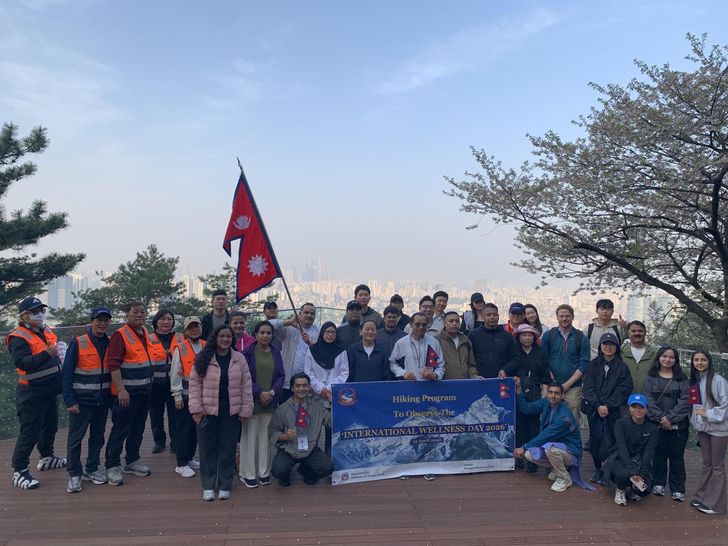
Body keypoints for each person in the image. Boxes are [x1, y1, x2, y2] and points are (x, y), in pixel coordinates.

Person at [189, 325, 253, 501]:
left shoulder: (239, 359)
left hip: (231, 412)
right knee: (207, 449)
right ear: (215, 338)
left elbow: (246, 385)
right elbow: (194, 384)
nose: (225, 339)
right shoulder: (203, 357)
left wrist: (246, 408)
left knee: (228, 448)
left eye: (228, 336)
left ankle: (225, 484)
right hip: (206, 411)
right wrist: (196, 409)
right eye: (222, 336)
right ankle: (208, 485)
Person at [8, 296, 66, 490]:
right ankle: (20, 470)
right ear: (24, 315)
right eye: (34, 312)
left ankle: (47, 456)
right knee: (30, 432)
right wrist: (47, 354)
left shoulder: (45, 330)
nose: (39, 315)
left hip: (50, 389)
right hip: (31, 392)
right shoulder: (19, 337)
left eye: (41, 311)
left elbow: (54, 350)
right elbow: (22, 363)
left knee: (50, 425)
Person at [62, 307, 113, 493]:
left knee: (97, 437)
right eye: (99, 320)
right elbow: (66, 374)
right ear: (91, 321)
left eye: (106, 320)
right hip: (82, 401)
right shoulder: (78, 343)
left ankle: (91, 468)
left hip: (103, 400)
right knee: (76, 438)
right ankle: (74, 473)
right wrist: (70, 401)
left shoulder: (110, 342)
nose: (102, 323)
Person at [104, 301, 154, 486]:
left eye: (142, 311)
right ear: (127, 315)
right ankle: (112, 465)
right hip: (127, 393)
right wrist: (121, 390)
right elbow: (113, 364)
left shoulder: (145, 332)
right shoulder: (120, 335)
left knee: (138, 428)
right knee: (121, 428)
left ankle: (132, 460)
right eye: (135, 312)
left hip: (144, 391)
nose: (139, 315)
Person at [581, 332, 633, 485]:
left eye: (611, 344)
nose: (608, 347)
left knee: (614, 439)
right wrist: (597, 405)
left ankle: (609, 468)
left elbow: (624, 389)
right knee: (596, 439)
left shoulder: (622, 367)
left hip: (614, 411)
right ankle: (598, 469)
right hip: (594, 410)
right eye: (605, 344)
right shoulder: (593, 365)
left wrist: (608, 405)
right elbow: (588, 387)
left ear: (617, 347)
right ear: (600, 346)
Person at [513, 380, 583, 493]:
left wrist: (524, 446)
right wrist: (519, 390)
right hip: (555, 446)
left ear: (562, 395)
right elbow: (526, 408)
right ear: (547, 393)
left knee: (550, 449)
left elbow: (546, 435)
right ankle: (557, 469)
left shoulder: (564, 417)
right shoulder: (546, 402)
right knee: (529, 454)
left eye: (556, 393)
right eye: (551, 392)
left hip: (571, 451)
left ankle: (565, 478)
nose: (553, 396)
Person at [239, 321, 285, 489]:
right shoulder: (246, 353)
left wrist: (272, 392)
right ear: (256, 334)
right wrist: (260, 392)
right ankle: (248, 473)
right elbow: (244, 378)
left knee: (266, 437)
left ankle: (264, 472)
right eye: (262, 332)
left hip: (270, 402)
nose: (265, 336)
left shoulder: (275, 352)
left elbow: (281, 375)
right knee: (249, 437)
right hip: (252, 401)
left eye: (268, 333)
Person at [269, 373, 333, 486]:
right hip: (289, 449)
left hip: (310, 448)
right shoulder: (283, 408)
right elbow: (272, 431)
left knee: (328, 468)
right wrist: (285, 436)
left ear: (309, 388)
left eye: (304, 385)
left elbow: (331, 423)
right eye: (298, 386)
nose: (301, 389)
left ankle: (306, 472)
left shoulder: (317, 407)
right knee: (278, 471)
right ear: (292, 388)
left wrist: (332, 402)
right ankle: (285, 477)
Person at [644, 346, 690, 501]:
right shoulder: (650, 377)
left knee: (677, 456)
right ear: (659, 358)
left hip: (678, 425)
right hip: (656, 423)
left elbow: (685, 401)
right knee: (658, 454)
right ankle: (658, 483)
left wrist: (670, 418)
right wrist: (661, 418)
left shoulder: (682, 379)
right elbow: (648, 400)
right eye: (664, 356)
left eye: (671, 357)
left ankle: (678, 489)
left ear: (676, 360)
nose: (667, 359)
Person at [689, 350, 728, 515]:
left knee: (717, 466)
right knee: (707, 463)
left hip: (719, 429)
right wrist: (697, 421)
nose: (699, 363)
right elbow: (694, 405)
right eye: (696, 360)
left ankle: (715, 504)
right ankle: (702, 496)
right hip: (703, 428)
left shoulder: (719, 381)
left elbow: (725, 405)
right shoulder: (696, 380)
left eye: (702, 360)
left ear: (709, 361)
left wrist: (707, 414)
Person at [603, 394, 658, 506]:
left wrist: (641, 475)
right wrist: (632, 472)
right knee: (623, 474)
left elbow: (648, 453)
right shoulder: (621, 423)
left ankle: (634, 489)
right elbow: (622, 447)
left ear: (647, 409)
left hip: (639, 461)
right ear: (629, 408)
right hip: (620, 458)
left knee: (646, 489)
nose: (637, 410)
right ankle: (620, 489)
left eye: (641, 407)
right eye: (634, 407)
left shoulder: (652, 429)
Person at [303, 322, 349, 454]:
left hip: (333, 397)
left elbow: (344, 373)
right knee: (313, 431)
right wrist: (320, 388)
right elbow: (308, 372)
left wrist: (329, 388)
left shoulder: (341, 351)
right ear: (322, 333)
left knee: (332, 432)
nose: (330, 335)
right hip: (316, 397)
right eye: (327, 332)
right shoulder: (312, 350)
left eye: (333, 332)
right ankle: (312, 461)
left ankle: (329, 462)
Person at [541, 304, 590, 423]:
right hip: (551, 386)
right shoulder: (549, 335)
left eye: (567, 316)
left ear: (572, 317)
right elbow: (543, 360)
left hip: (573, 387)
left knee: (571, 422)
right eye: (561, 316)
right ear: (557, 317)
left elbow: (583, 365)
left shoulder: (581, 338)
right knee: (550, 420)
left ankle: (570, 442)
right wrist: (552, 382)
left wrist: (566, 385)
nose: (564, 319)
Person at [511, 324, 551, 470]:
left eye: (530, 335)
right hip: (517, 392)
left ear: (534, 337)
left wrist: (544, 394)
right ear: (518, 337)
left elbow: (545, 374)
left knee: (534, 426)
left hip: (535, 393)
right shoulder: (514, 352)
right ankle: (519, 457)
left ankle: (533, 458)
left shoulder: (540, 353)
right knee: (519, 425)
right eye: (524, 335)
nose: (527, 338)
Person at [170, 316, 205, 479]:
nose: (194, 329)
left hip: (203, 397)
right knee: (183, 430)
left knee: (195, 429)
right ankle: (181, 463)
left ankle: (190, 458)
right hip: (185, 396)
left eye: (196, 326)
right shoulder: (180, 348)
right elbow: (175, 373)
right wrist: (176, 395)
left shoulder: (206, 345)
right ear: (185, 331)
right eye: (191, 327)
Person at [148, 309, 184, 454]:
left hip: (175, 382)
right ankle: (159, 442)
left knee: (175, 415)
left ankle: (175, 442)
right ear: (156, 321)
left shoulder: (181, 337)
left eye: (169, 319)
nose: (166, 322)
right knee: (156, 415)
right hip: (155, 384)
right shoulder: (148, 338)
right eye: (162, 319)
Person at [269, 302, 319, 401]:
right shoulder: (289, 329)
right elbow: (268, 324)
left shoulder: (318, 331)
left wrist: (310, 343)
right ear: (300, 314)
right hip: (289, 383)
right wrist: (289, 322)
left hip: (311, 383)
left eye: (312, 313)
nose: (309, 315)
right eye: (306, 312)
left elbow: (322, 352)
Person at [467, 303, 518, 379]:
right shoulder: (473, 335)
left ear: (498, 316)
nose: (492, 317)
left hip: (502, 379)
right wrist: (474, 375)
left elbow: (515, 359)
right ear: (483, 317)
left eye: (494, 315)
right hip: (479, 380)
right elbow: (468, 360)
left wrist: (505, 370)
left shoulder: (507, 336)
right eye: (488, 315)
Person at [390, 312, 445, 382]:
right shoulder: (401, 343)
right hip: (408, 385)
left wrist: (435, 375)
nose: (421, 327)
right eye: (418, 324)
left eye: (424, 324)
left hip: (429, 385)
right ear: (411, 324)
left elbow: (441, 365)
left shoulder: (434, 343)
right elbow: (393, 363)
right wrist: (403, 373)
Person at [436, 311, 477, 379]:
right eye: (451, 321)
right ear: (444, 323)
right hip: (443, 384)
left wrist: (474, 376)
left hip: (464, 383)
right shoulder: (437, 340)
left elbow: (471, 365)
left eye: (457, 321)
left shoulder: (466, 341)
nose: (454, 324)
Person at [621, 321, 656, 393]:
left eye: (640, 331)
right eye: (633, 331)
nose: (637, 333)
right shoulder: (620, 353)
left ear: (645, 333)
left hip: (647, 398)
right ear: (628, 333)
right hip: (624, 397)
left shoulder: (653, 354)